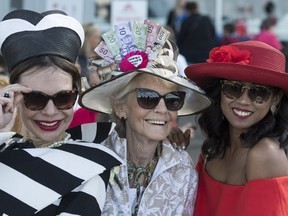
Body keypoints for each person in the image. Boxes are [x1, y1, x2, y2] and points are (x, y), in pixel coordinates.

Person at [79, 21, 212, 215]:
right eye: (147, 98)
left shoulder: (182, 167)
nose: (162, 109)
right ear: (120, 107)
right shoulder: (91, 158)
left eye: (173, 100)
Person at [0, 9, 121, 215]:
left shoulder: (94, 161)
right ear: (15, 95)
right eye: (36, 98)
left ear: (77, 92)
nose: (50, 111)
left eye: (62, 97)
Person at [184, 40, 288, 215]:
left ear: (275, 99)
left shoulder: (264, 153)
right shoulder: (213, 147)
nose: (243, 100)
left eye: (258, 92)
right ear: (220, 93)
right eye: (234, 88)